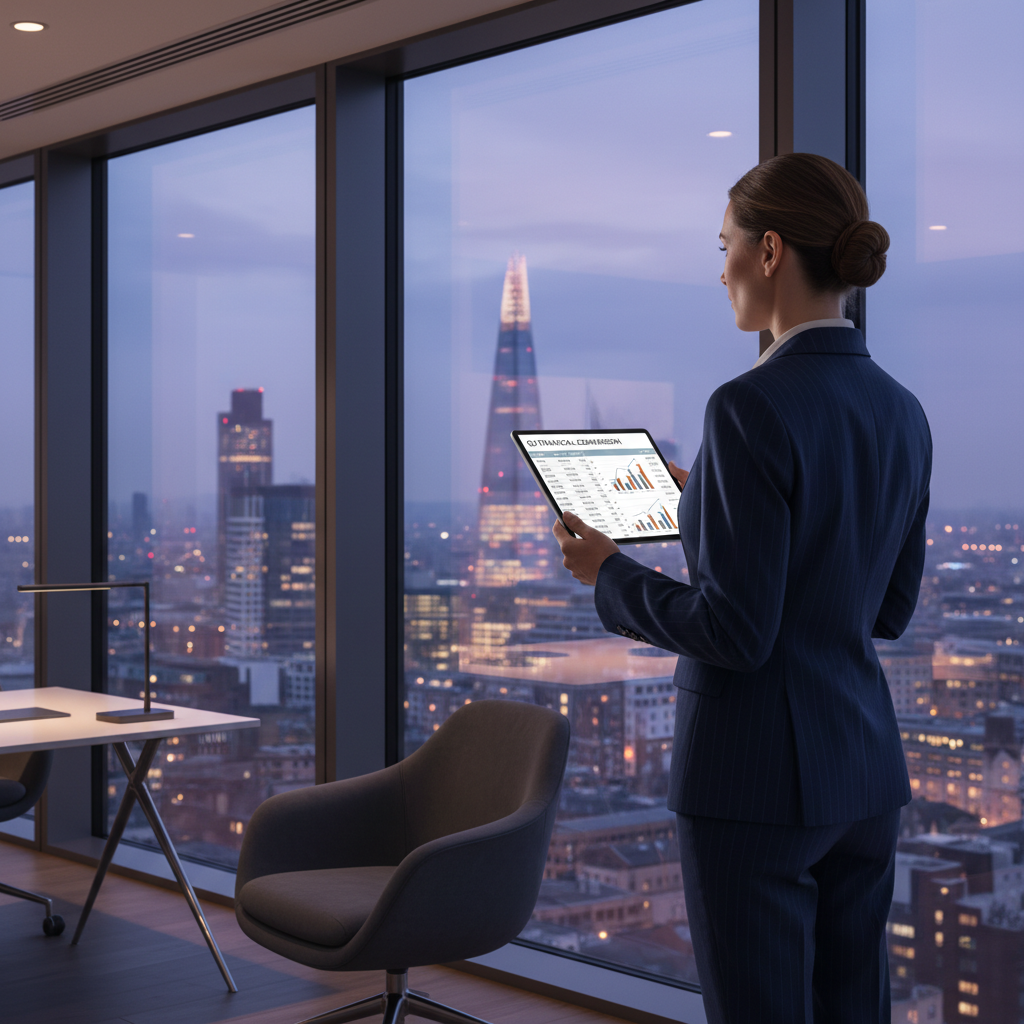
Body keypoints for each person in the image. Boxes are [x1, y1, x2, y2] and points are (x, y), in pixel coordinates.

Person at [554, 152, 931, 1024]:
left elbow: (736, 630)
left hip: (752, 785)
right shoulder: (902, 410)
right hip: (864, 772)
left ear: (767, 252)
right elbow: (888, 608)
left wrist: (607, 573)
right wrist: (708, 511)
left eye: (723, 244)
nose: (716, 266)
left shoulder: (746, 406)